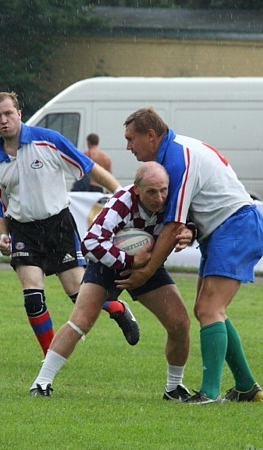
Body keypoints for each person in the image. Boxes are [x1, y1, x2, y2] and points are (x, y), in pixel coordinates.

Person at [118, 107, 263, 405]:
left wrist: (146, 273)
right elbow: (186, 218)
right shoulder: (177, 151)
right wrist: (192, 230)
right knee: (208, 309)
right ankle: (246, 386)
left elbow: (172, 227)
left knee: (210, 309)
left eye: (131, 139)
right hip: (226, 227)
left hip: (236, 226)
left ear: (151, 135)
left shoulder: (177, 158)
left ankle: (209, 394)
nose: (128, 146)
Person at [0, 91, 138, 358]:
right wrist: (2, 235)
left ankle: (117, 308)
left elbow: (90, 168)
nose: (4, 120)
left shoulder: (49, 140)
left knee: (78, 294)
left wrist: (123, 196)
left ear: (19, 114)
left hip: (58, 226)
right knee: (33, 298)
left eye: (8, 113)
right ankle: (50, 357)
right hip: (23, 229)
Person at [30, 162, 195, 400]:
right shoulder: (122, 201)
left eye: (163, 190)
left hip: (148, 263)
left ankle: (173, 388)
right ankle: (41, 383)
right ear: (137, 190)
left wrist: (190, 233)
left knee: (180, 324)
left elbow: (190, 223)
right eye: (151, 192)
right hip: (108, 262)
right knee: (80, 321)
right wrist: (128, 259)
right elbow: (91, 243)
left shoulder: (173, 201)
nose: (159, 198)